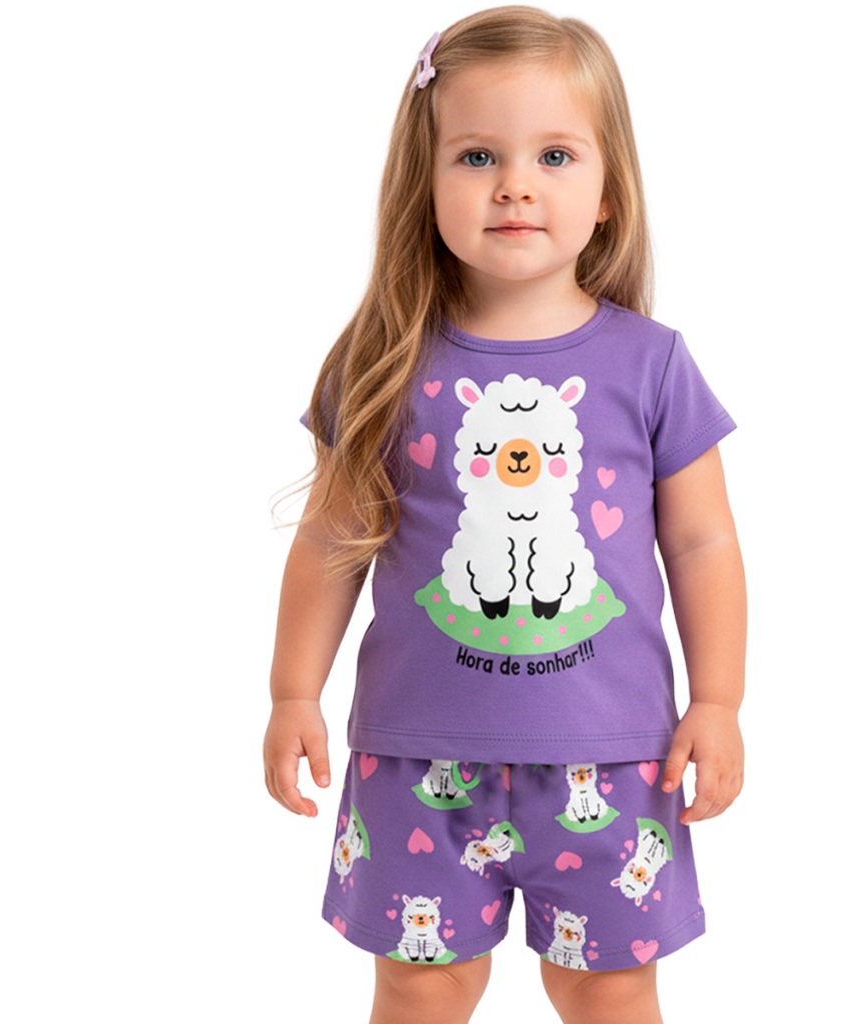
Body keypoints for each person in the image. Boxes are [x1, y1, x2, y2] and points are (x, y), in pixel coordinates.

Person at [263, 7, 746, 1023]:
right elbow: (331, 540)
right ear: (426, 182)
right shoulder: (382, 364)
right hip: (413, 756)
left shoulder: (651, 365)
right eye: (477, 155)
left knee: (609, 989)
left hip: (613, 760)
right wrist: (292, 692)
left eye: (554, 155)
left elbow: (703, 541)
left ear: (607, 194)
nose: (515, 184)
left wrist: (717, 702)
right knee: (420, 984)